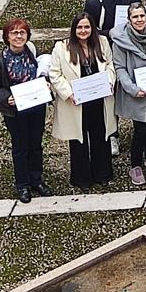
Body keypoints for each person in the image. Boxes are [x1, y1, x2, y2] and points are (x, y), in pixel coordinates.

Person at [48, 10, 117, 190]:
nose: (83, 31)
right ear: (74, 29)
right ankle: (82, 179)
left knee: (101, 137)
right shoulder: (61, 48)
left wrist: (109, 82)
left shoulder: (102, 42)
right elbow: (54, 74)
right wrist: (68, 94)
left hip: (99, 99)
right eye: (80, 27)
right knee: (79, 141)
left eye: (87, 27)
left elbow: (110, 65)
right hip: (76, 102)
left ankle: (103, 174)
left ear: (92, 28)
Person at [0, 17, 49, 202]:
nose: (18, 36)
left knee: (36, 144)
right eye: (14, 33)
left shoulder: (32, 52)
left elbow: (42, 72)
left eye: (22, 33)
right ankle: (22, 185)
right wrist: (7, 98)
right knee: (21, 147)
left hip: (36, 106)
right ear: (7, 37)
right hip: (15, 111)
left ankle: (36, 179)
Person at [111, 2, 146, 185]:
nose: (139, 20)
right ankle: (135, 164)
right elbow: (119, 68)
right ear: (128, 19)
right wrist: (133, 89)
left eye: (142, 16)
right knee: (141, 129)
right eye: (135, 17)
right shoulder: (121, 39)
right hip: (137, 91)